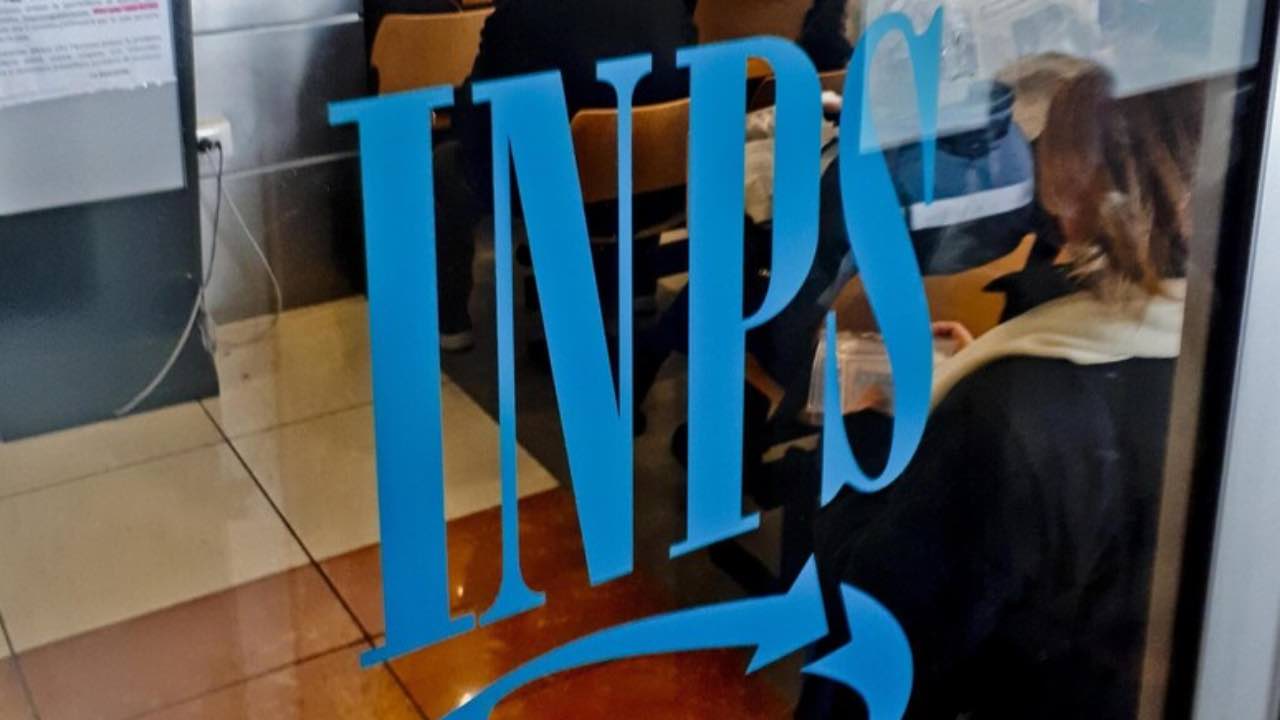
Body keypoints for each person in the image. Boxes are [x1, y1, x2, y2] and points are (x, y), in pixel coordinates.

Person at [792, 65, 1203, 718]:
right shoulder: (1229, 359)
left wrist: (863, 435)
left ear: (1075, 192)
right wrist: (981, 365)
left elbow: (880, 622)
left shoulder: (1007, 418)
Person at [433, 0, 697, 351]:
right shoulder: (672, 6)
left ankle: (452, 324)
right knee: (633, 132)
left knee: (446, 164)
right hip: (663, 194)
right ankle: (635, 289)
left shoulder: (520, 13)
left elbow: (478, 114)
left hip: (564, 197)